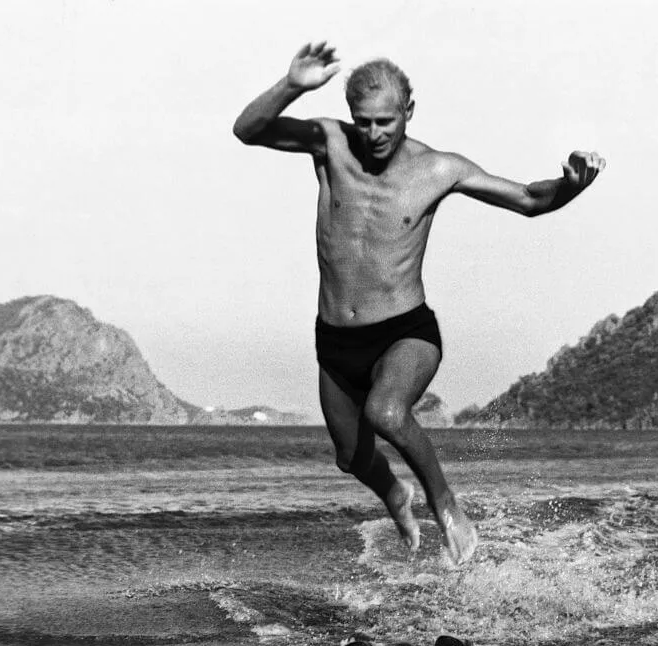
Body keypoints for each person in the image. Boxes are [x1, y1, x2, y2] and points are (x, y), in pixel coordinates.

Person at [233, 41, 605, 565]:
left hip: (405, 330)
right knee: (349, 457)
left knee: (387, 411)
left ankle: (445, 505)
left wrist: (571, 185)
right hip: (335, 337)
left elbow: (528, 199)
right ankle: (393, 492)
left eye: (386, 121)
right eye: (364, 122)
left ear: (408, 112)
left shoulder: (438, 169)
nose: (375, 133)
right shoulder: (329, 144)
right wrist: (291, 84)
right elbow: (247, 130)